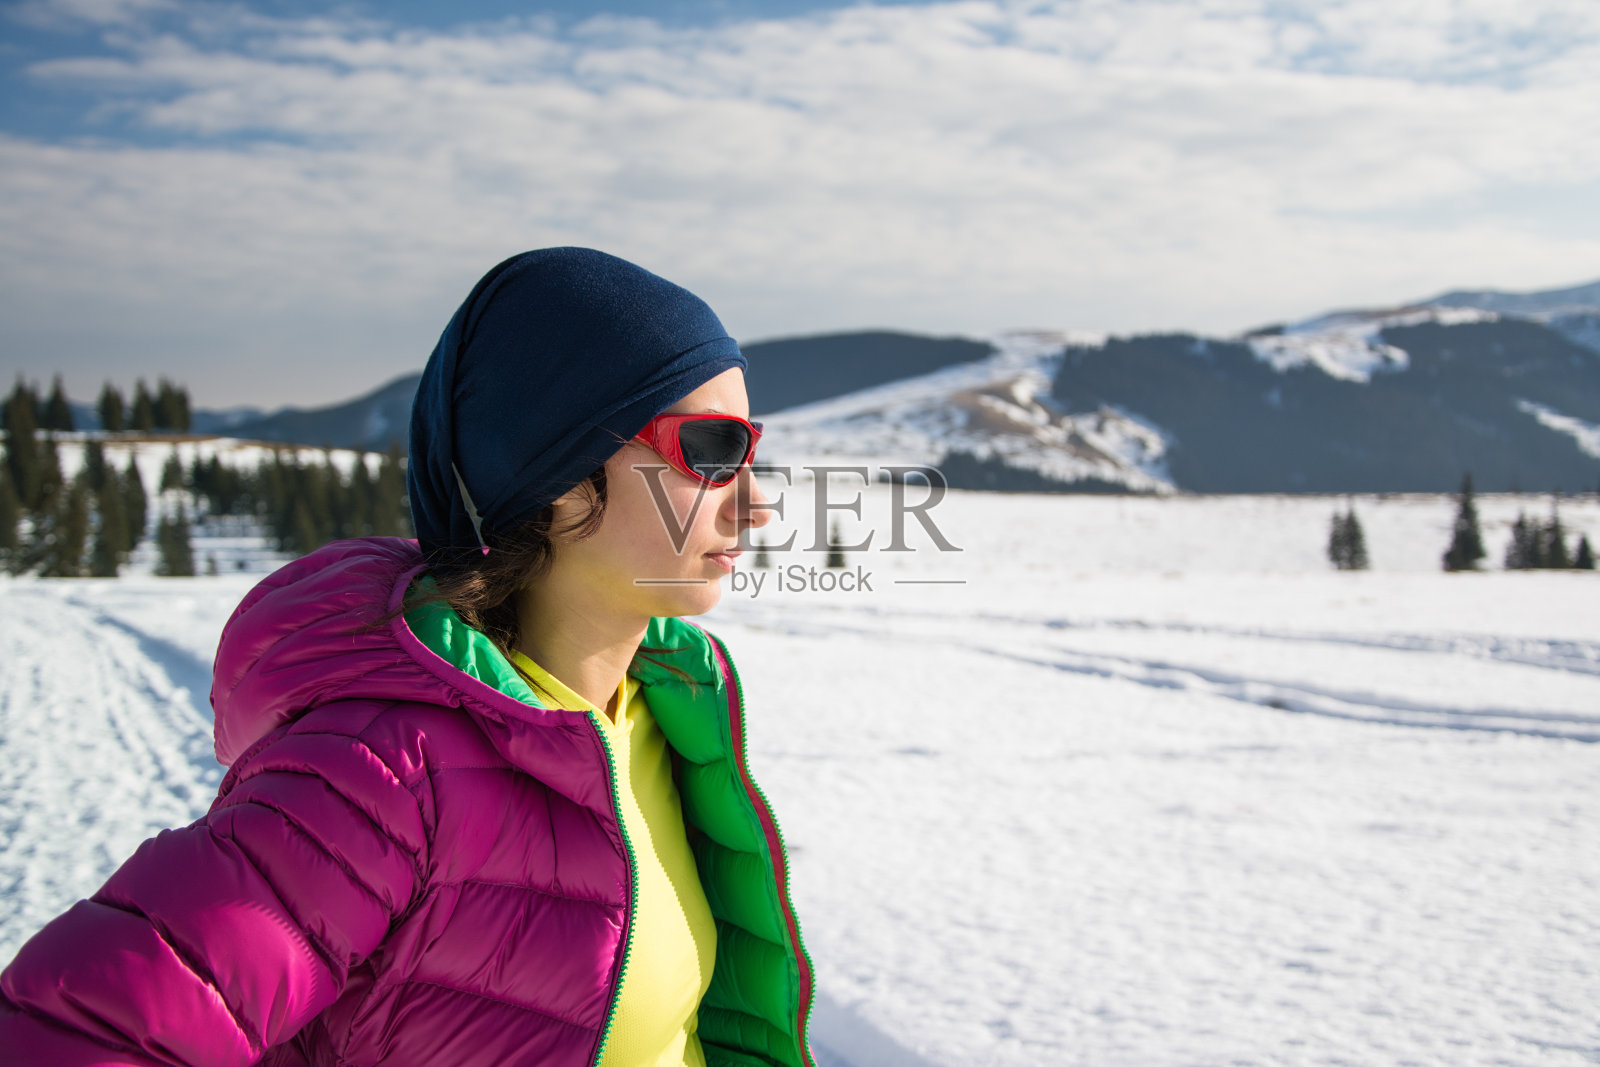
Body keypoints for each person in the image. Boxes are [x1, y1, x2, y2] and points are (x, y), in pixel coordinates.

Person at [0, 248, 816, 1067]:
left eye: (749, 450)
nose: (755, 501)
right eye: (709, 449)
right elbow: (81, 1033)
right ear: (561, 475)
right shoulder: (385, 773)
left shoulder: (667, 718)